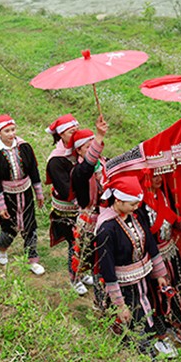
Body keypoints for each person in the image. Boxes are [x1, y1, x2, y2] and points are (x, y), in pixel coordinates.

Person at [95, 172, 174, 358]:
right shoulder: (107, 229)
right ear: (118, 201)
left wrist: (160, 275)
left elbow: (150, 245)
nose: (136, 207)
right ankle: (143, 357)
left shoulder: (135, 215)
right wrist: (119, 303)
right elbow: (107, 268)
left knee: (148, 310)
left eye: (137, 204)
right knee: (133, 317)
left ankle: (151, 343)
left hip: (143, 279)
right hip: (124, 286)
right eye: (132, 204)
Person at [142, 169, 181, 345]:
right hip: (153, 257)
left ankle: (179, 324)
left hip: (171, 252)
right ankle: (159, 334)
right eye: (154, 175)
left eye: (160, 174)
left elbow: (172, 217)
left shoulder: (162, 193)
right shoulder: (138, 203)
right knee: (158, 298)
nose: (158, 178)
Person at [0, 114, 46, 275]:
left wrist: (38, 193)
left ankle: (32, 260)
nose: (11, 134)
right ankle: (2, 249)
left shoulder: (24, 147)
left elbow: (33, 170)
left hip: (25, 192)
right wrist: (0, 205)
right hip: (7, 195)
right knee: (9, 228)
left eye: (13, 130)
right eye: (7, 131)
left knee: (30, 227)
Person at [46, 116, 91, 296]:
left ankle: (83, 271)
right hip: (67, 208)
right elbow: (65, 189)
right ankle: (74, 277)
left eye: (75, 130)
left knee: (86, 241)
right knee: (75, 242)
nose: (74, 133)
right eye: (70, 131)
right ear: (60, 134)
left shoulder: (79, 152)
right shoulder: (56, 160)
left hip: (83, 205)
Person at [71, 115, 108, 305]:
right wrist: (99, 137)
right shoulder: (78, 171)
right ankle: (77, 279)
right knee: (87, 254)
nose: (93, 150)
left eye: (93, 146)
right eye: (88, 147)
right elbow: (87, 167)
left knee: (103, 257)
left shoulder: (104, 163)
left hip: (106, 216)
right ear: (78, 150)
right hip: (90, 217)